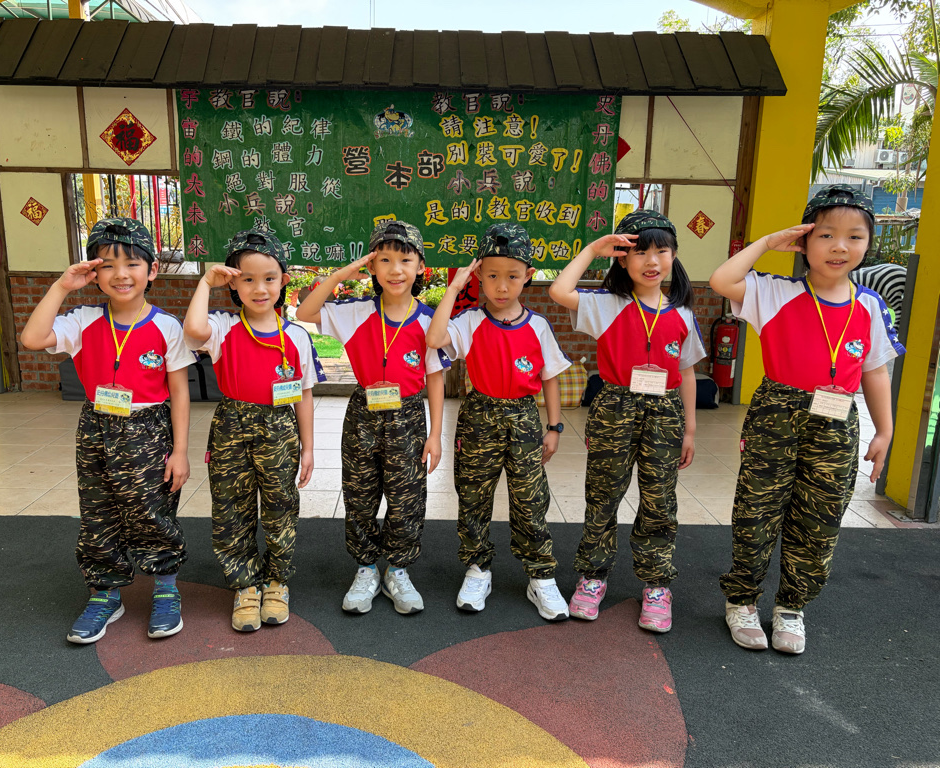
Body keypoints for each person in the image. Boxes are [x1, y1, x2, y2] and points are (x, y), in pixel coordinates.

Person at [709, 184, 904, 654]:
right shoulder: (775, 292)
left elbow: (875, 371)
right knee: (757, 512)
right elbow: (721, 280)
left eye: (855, 237)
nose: (840, 247)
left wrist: (885, 429)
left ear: (868, 244)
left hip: (837, 421)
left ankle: (792, 607)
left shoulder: (870, 305)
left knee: (820, 518)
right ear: (805, 241)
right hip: (777, 413)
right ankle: (742, 600)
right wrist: (768, 242)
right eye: (826, 235)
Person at [20, 218, 193, 644]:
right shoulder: (82, 320)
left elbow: (179, 392)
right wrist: (62, 287)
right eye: (108, 265)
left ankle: (165, 588)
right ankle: (105, 593)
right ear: (94, 273)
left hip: (149, 427)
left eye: (132, 264)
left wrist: (181, 451)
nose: (121, 275)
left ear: (152, 270)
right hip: (97, 427)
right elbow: (32, 339)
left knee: (152, 510)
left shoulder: (167, 326)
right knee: (98, 512)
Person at [549, 210, 705, 633]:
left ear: (674, 256)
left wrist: (690, 429)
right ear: (622, 259)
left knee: (659, 500)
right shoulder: (607, 305)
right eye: (640, 252)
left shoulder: (683, 313)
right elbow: (560, 291)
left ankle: (656, 585)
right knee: (603, 495)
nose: (652, 261)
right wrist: (593, 249)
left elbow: (688, 371)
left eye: (662, 251)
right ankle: (593, 576)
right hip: (615, 407)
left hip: (666, 412)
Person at [295, 220, 448, 615]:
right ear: (372, 267)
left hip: (408, 416)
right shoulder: (356, 311)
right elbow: (305, 310)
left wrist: (436, 434)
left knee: (406, 497)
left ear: (420, 267)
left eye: (405, 260)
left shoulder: (429, 320)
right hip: (363, 413)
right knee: (360, 495)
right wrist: (341, 275)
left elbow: (435, 377)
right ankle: (365, 568)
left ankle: (397, 570)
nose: (396, 270)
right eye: (385, 260)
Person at [425, 223, 572, 621]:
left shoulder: (538, 326)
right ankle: (478, 569)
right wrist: (454, 289)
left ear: (528, 275)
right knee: (473, 496)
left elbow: (550, 378)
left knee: (530, 499)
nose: (502, 286)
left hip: (524, 418)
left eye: (512, 276)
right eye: (491, 276)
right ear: (479, 276)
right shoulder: (471, 321)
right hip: (480, 416)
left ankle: (540, 575)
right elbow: (435, 339)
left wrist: (554, 427)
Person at [183, 230, 324, 631]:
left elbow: (304, 395)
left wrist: (308, 447)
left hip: (280, 429)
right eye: (247, 279)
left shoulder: (296, 336)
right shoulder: (223, 326)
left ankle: (277, 581)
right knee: (231, 509)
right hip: (232, 425)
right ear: (234, 283)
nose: (259, 288)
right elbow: (193, 331)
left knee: (281, 508)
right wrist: (205, 282)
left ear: (283, 281)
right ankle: (244, 585)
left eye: (269, 278)